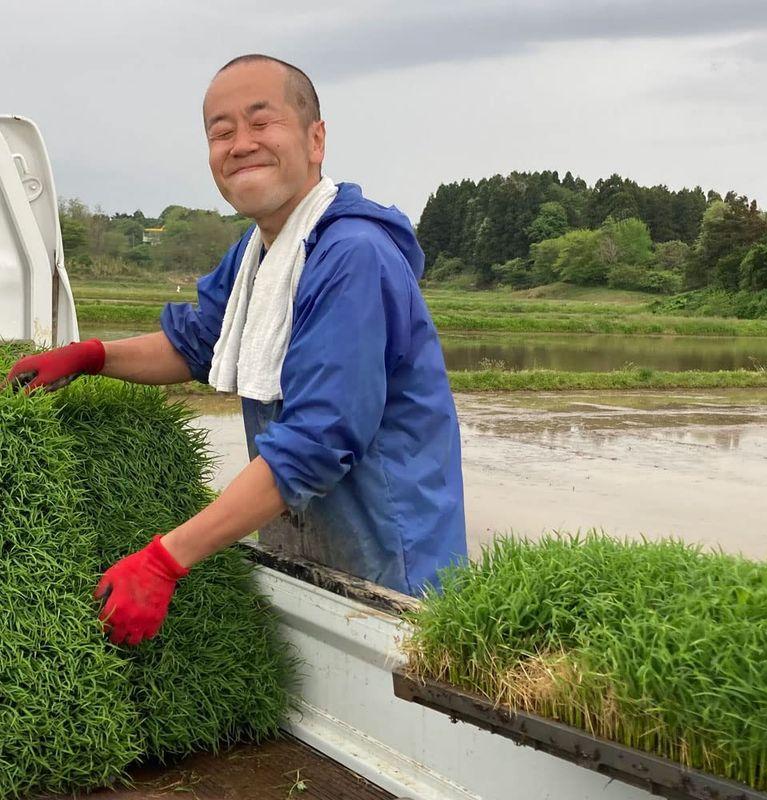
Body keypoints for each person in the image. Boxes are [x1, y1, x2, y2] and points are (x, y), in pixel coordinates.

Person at [4, 54, 466, 647]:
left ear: (315, 138)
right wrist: (92, 355)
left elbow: (315, 443)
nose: (240, 143)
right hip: (312, 543)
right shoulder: (260, 252)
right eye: (221, 132)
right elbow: (197, 342)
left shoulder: (352, 255)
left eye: (260, 122)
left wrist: (166, 559)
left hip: (393, 564)